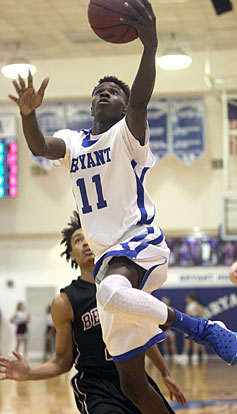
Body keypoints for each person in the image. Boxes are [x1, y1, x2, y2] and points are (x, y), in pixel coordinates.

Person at [8, 0, 237, 411]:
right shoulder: (74, 142)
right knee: (132, 383)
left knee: (110, 290)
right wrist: (28, 114)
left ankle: (203, 330)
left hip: (139, 242)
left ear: (122, 106)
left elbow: (140, 101)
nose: (104, 95)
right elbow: (40, 146)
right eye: (99, 91)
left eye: (113, 92)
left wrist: (148, 49)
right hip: (111, 262)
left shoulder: (128, 135)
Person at [0, 212, 186, 414]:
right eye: (78, 240)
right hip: (97, 388)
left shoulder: (124, 286)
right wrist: (29, 373)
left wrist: (165, 372)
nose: (85, 243)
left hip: (135, 378)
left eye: (88, 237)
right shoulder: (65, 301)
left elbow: (141, 334)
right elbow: (62, 361)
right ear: (71, 254)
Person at [179, 293, 208, 365]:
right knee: (187, 340)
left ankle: (195, 356)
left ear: (190, 298)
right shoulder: (188, 306)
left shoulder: (196, 305)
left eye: (187, 298)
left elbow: (201, 315)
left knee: (196, 341)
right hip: (189, 325)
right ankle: (185, 356)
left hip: (196, 324)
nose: (186, 300)